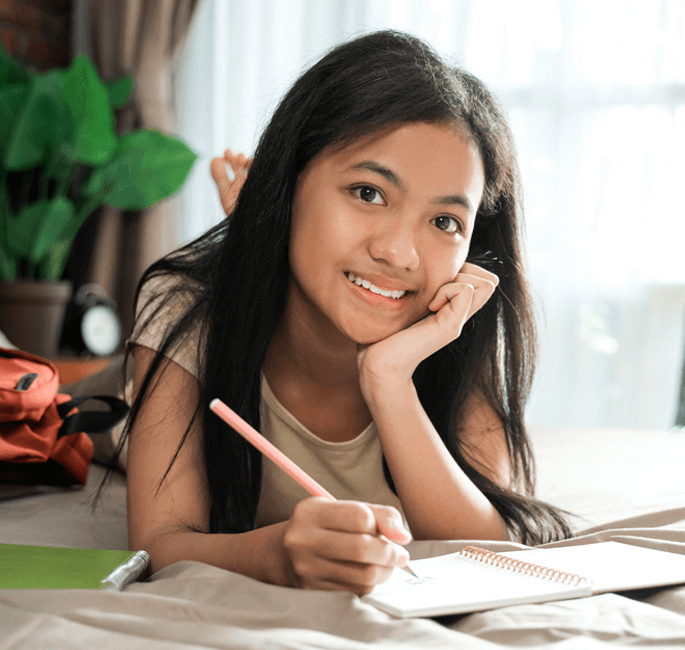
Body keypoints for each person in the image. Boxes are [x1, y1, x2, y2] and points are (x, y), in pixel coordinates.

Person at [119, 30, 574, 596]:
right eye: (368, 192)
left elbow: (484, 547)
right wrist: (275, 555)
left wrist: (389, 378)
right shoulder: (186, 305)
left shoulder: (450, 320)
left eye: (445, 222)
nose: (400, 254)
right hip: (148, 380)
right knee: (90, 426)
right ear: (286, 181)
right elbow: (160, 542)